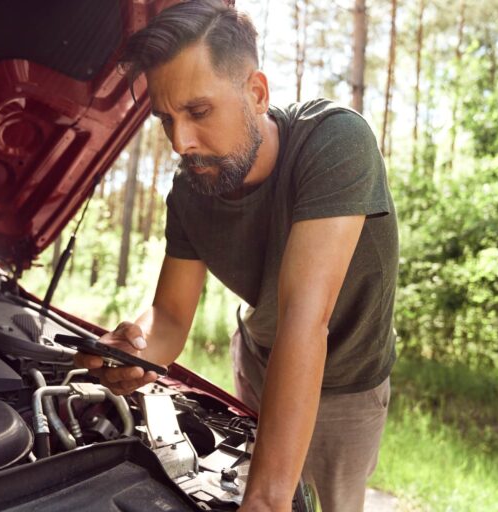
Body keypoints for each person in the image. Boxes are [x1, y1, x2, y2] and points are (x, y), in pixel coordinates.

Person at [75, 1, 398, 510]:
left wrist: (266, 500)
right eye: (166, 119)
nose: (181, 142)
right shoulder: (190, 189)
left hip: (346, 381)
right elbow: (171, 315)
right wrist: (134, 352)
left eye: (198, 112)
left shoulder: (336, 142)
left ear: (256, 93)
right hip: (256, 357)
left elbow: (304, 319)